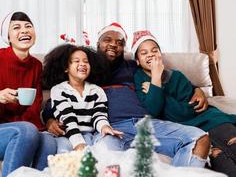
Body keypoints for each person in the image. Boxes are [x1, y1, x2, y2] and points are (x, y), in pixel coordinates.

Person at [43, 23, 210, 167]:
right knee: (105, 159)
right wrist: (50, 120)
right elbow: (59, 99)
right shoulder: (86, 68)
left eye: (120, 42)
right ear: (97, 43)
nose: (114, 45)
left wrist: (197, 89)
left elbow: (167, 79)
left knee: (199, 139)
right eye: (107, 40)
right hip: (112, 129)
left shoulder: (133, 67)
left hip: (146, 124)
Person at [0, 11, 57, 177]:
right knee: (26, 130)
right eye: (16, 27)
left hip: (19, 131)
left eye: (29, 26)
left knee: (48, 141)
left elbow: (34, 107)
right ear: (8, 37)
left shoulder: (35, 66)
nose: (25, 30)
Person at [132, 30, 236, 176]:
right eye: (143, 53)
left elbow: (189, 110)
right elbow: (154, 111)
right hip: (191, 132)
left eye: (155, 50)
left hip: (210, 119)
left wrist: (157, 91)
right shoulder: (139, 80)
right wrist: (156, 78)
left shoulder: (176, 76)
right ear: (137, 60)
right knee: (224, 163)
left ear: (160, 55)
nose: (150, 54)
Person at [42, 44, 123, 153]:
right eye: (76, 61)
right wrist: (78, 143)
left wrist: (104, 127)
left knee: (111, 140)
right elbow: (67, 118)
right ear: (66, 68)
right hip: (67, 136)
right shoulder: (58, 90)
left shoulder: (97, 91)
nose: (82, 64)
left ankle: (108, 168)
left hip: (91, 134)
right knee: (64, 151)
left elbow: (99, 115)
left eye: (86, 61)